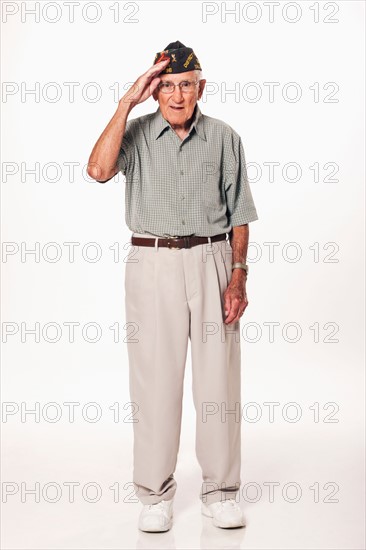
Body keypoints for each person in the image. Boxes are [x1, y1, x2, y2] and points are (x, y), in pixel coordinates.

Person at [87, 40, 259, 532]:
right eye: (167, 86)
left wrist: (239, 274)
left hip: (213, 258)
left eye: (186, 85)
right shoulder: (136, 133)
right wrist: (126, 102)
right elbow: (98, 170)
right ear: (154, 89)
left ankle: (221, 491)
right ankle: (155, 495)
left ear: (200, 86)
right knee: (155, 381)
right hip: (152, 261)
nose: (178, 96)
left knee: (218, 382)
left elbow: (241, 213)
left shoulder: (225, 137)